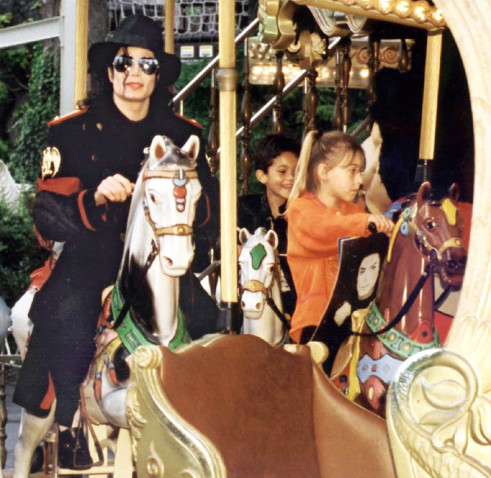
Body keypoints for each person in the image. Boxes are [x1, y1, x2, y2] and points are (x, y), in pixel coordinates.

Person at [13, 14, 218, 469]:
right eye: (124, 62)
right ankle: (69, 419)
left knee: (212, 326)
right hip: (92, 257)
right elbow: (46, 215)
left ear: (158, 76)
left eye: (147, 64)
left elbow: (210, 209)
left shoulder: (185, 135)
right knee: (65, 315)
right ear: (110, 72)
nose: (134, 73)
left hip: (161, 262)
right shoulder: (71, 132)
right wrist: (93, 198)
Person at [286, 130, 394, 345]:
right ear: (324, 172)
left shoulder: (353, 212)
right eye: (352, 171)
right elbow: (325, 230)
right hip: (317, 321)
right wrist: (366, 223)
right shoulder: (301, 210)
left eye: (360, 172)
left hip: (354, 317)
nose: (359, 180)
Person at [238, 134, 300, 316]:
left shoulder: (304, 213)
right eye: (282, 171)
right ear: (262, 176)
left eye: (296, 172)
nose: (291, 178)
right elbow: (222, 242)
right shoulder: (246, 208)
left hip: (294, 299)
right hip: (253, 293)